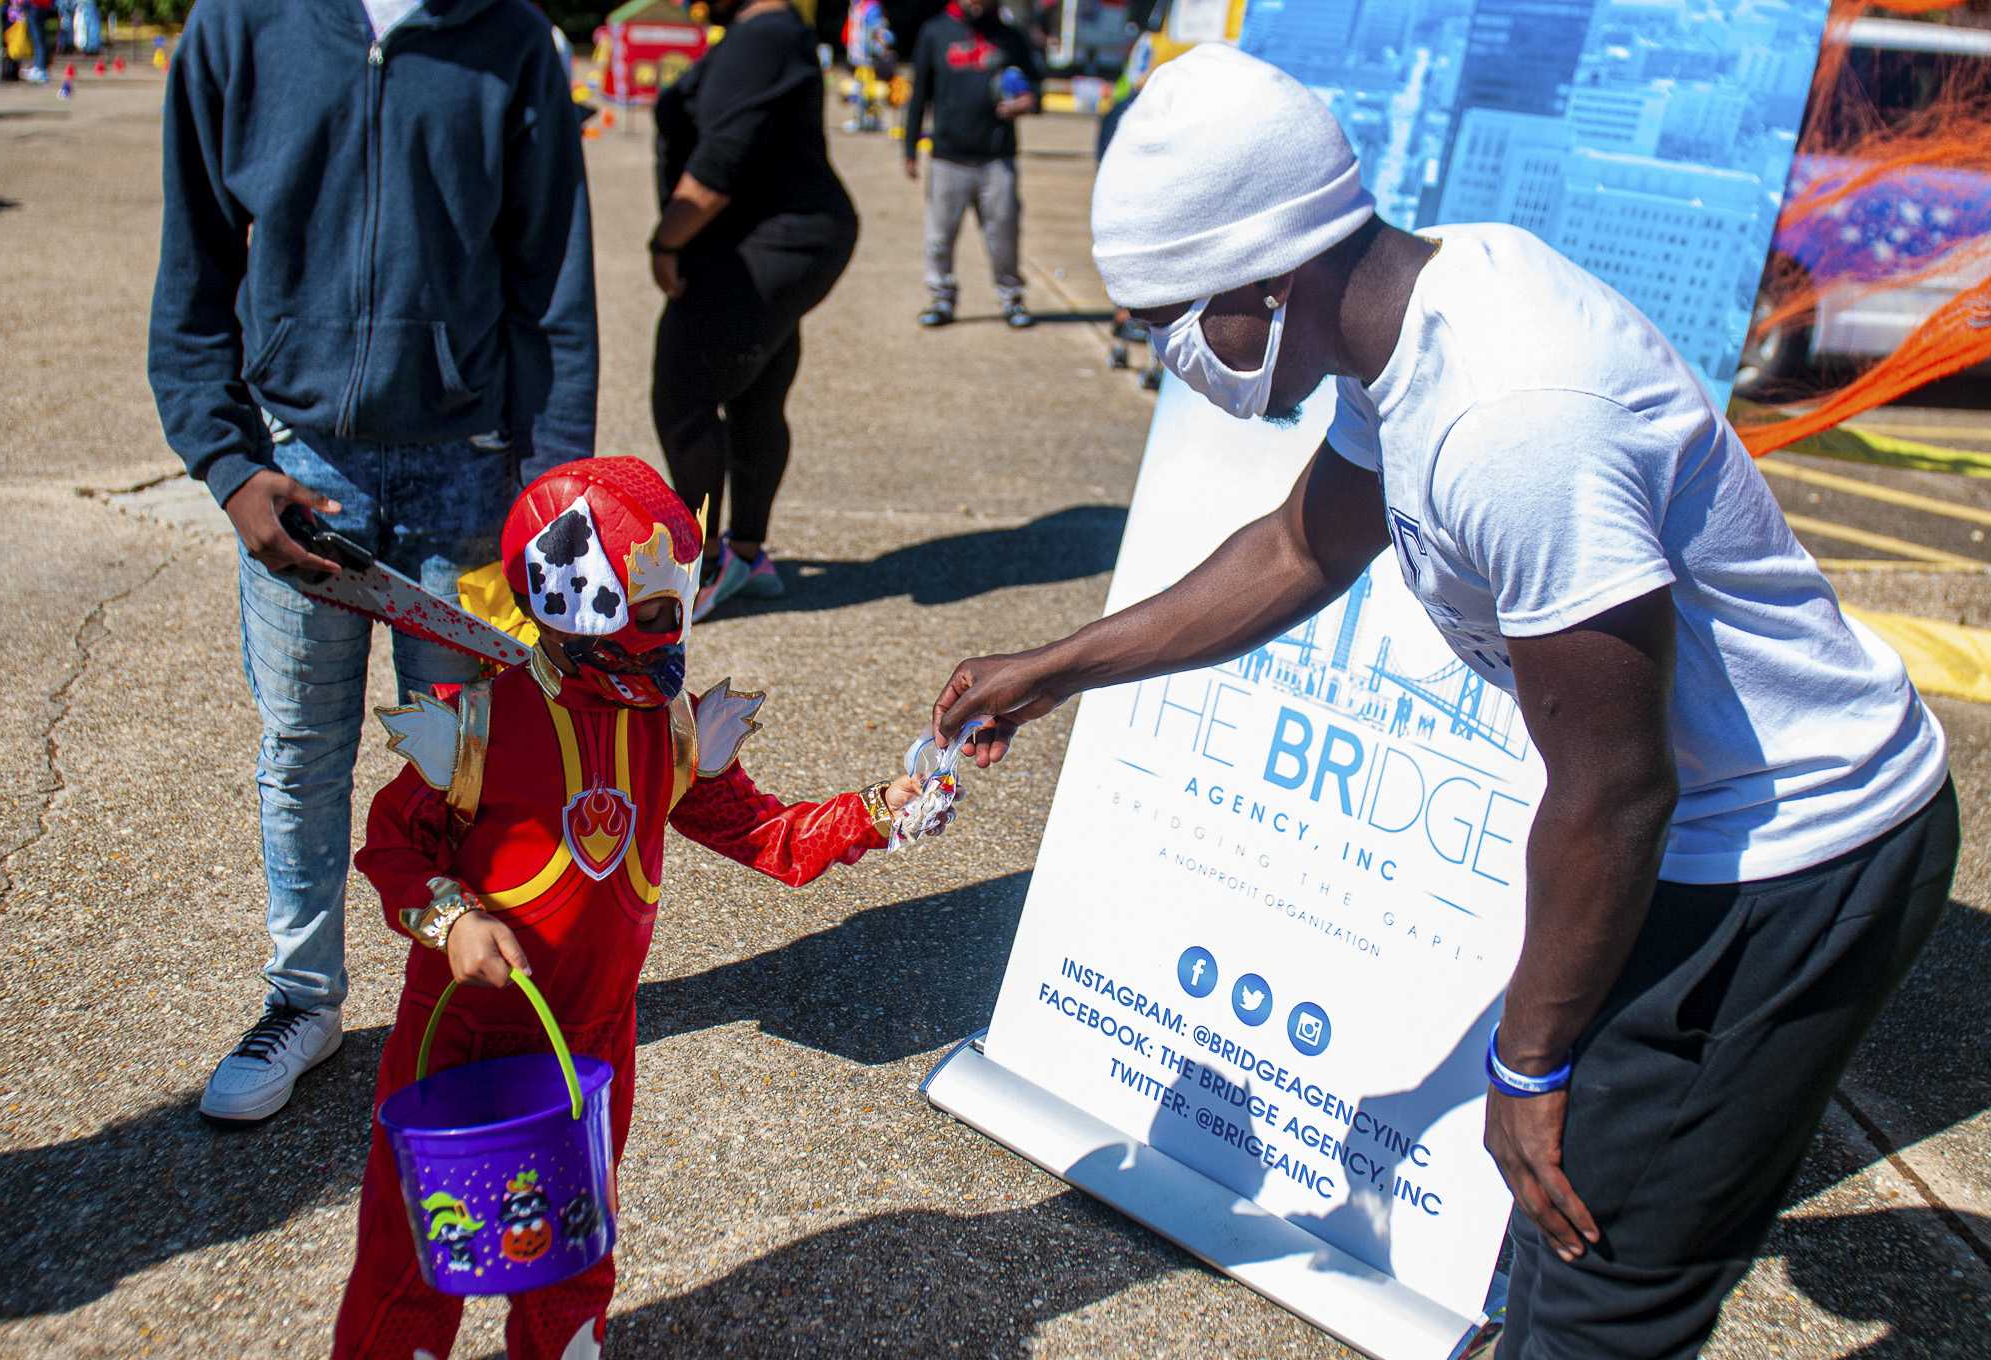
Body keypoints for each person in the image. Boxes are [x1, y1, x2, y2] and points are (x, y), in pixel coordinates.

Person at [928, 45, 1956, 1360]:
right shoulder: (1415, 318)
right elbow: (1301, 548)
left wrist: (1528, 1064)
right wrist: (1057, 667)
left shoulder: (1515, 424)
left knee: (1603, 1270)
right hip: (1696, 826)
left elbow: (1614, 789)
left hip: (1792, 858)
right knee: (1551, 1238)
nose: (1167, 356)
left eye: (1168, 321)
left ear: (1264, 275)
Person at [332, 457, 943, 1360]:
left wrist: (880, 811)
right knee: (419, 1253)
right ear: (577, 601)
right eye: (653, 614)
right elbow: (391, 847)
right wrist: (452, 920)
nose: (673, 634)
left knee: (570, 1252)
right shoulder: (476, 731)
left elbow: (765, 835)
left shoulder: (669, 731)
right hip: (457, 1042)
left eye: (679, 610)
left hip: (591, 1046)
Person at [148, 0, 596, 1126]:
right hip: (298, 471)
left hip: (467, 472)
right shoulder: (238, 29)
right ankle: (302, 998)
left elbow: (554, 294)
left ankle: (463, 1006)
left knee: (466, 763)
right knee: (302, 746)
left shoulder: (511, 42)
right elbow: (192, 276)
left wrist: (555, 502)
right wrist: (227, 464)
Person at [650, 0, 858, 623]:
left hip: (762, 248)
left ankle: (701, 567)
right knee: (755, 396)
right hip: (776, 245)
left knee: (684, 398)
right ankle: (745, 556)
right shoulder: (776, 34)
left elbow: (721, 160)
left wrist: (667, 239)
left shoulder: (761, 38)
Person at [902, 0, 1040, 330]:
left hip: (997, 158)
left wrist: (1027, 101)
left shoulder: (1011, 37)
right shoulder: (936, 31)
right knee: (939, 237)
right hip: (948, 157)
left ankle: (1011, 299)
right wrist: (908, 148)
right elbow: (919, 92)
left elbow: (1036, 87)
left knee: (1004, 235)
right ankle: (941, 298)